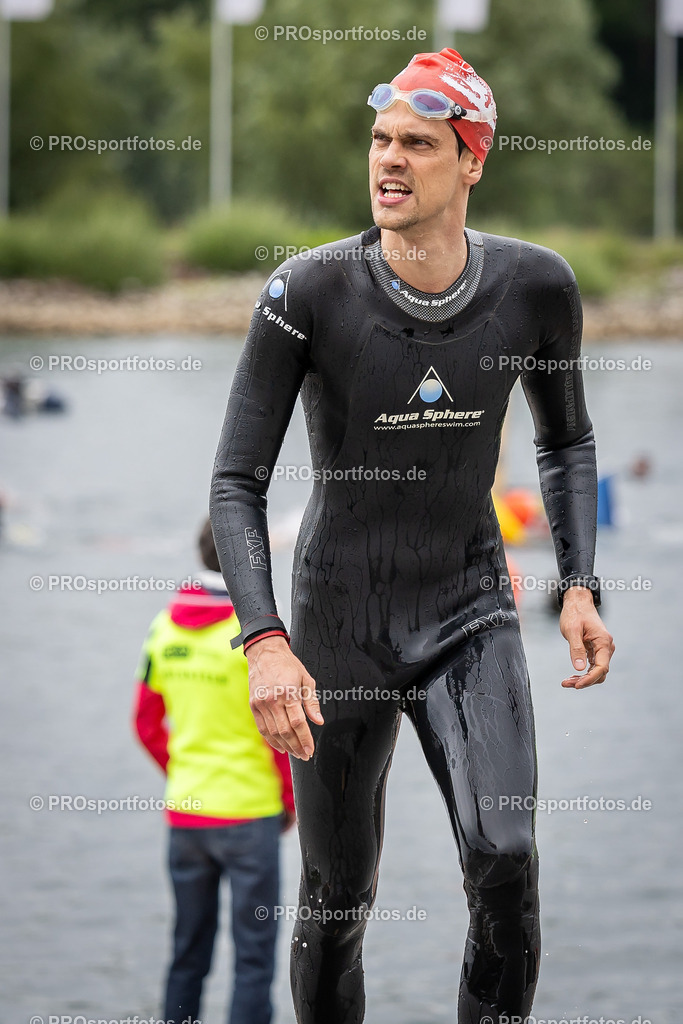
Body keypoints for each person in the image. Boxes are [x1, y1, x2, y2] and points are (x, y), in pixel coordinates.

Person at [209, 48, 615, 1024]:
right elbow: (234, 482)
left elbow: (565, 441)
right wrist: (265, 642)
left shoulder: (534, 288)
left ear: (470, 159)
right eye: (380, 138)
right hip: (335, 625)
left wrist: (576, 580)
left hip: (466, 608)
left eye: (418, 144)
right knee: (336, 897)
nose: (388, 160)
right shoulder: (307, 293)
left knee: (504, 856)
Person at [132, 518, 295, 1024]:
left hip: (186, 814)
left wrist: (182, 775)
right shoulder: (258, 640)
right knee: (253, 959)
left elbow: (146, 723)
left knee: (187, 951)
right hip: (250, 812)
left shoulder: (163, 625)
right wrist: (290, 801)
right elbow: (280, 733)